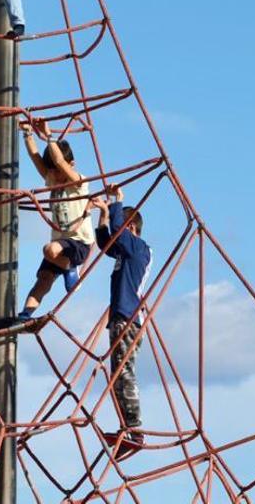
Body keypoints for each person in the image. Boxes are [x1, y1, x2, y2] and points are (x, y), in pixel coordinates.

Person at [17, 117, 95, 321]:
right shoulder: (52, 178)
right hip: (61, 244)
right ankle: (25, 315)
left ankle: (71, 267)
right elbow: (36, 159)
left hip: (78, 242)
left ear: (72, 165)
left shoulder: (78, 182)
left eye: (59, 171)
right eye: (51, 171)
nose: (55, 175)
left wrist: (49, 135)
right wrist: (28, 134)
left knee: (49, 249)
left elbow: (59, 161)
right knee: (43, 280)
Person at [94, 185, 153, 448]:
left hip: (128, 318)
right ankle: (126, 429)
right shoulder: (126, 251)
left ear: (131, 230)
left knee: (124, 371)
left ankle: (134, 428)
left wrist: (117, 201)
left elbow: (118, 234)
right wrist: (104, 214)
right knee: (117, 373)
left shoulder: (139, 249)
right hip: (121, 318)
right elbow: (106, 244)